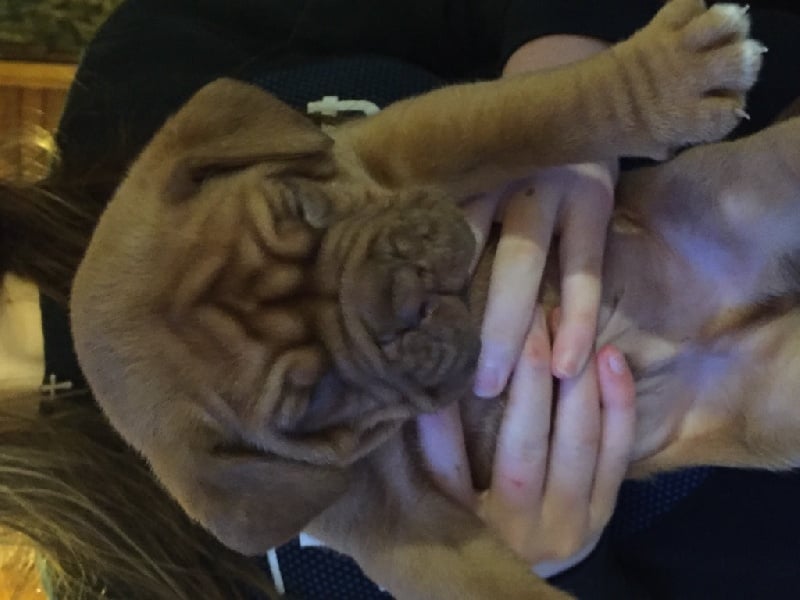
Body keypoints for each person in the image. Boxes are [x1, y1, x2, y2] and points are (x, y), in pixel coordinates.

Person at [0, 1, 799, 599]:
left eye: (306, 220)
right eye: (308, 387)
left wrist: (582, 86)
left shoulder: (143, 77)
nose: (399, 297)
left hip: (719, 183)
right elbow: (420, 554)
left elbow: (401, 132)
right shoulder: (125, 580)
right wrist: (563, 568)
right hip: (728, 448)